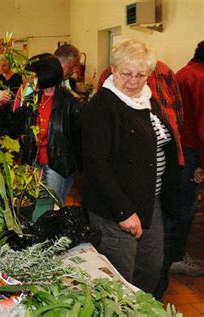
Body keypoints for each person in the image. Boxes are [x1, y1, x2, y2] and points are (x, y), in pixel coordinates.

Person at [81, 39, 180, 294]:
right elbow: (95, 165)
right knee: (119, 279)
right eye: (127, 74)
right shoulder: (103, 106)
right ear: (113, 70)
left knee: (150, 268)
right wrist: (123, 212)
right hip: (116, 208)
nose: (134, 81)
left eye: (141, 75)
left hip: (150, 202)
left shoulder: (147, 99)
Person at [12, 53, 81, 203]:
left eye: (32, 75)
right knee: (36, 203)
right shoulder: (33, 98)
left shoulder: (69, 103)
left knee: (53, 206)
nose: (29, 78)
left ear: (45, 76)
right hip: (35, 162)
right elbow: (16, 125)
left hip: (58, 165)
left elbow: (79, 138)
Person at [168, 41, 204, 275]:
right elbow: (202, 127)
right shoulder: (201, 78)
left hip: (180, 149)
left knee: (176, 204)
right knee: (185, 207)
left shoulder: (183, 72)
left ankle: (171, 255)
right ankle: (176, 257)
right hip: (192, 151)